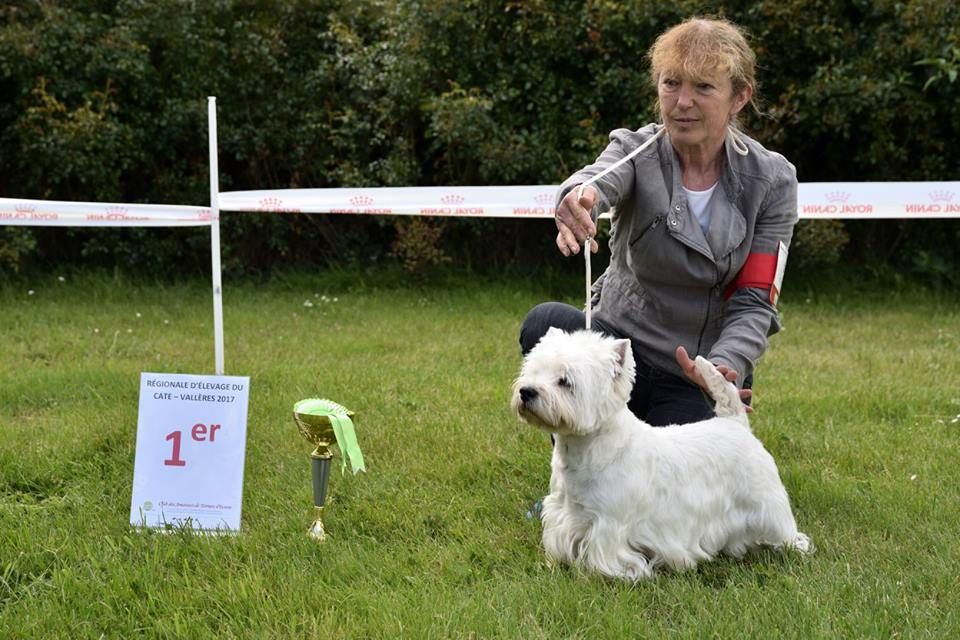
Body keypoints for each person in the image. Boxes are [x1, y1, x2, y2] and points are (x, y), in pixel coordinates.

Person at [519, 16, 799, 427]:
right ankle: (571, 486)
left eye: (703, 87)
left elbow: (755, 300)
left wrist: (720, 366)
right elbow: (598, 179)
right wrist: (580, 197)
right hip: (615, 347)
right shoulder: (635, 149)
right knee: (546, 322)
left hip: (690, 371)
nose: (682, 101)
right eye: (671, 84)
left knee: (673, 484)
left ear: (739, 97)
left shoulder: (773, 180)